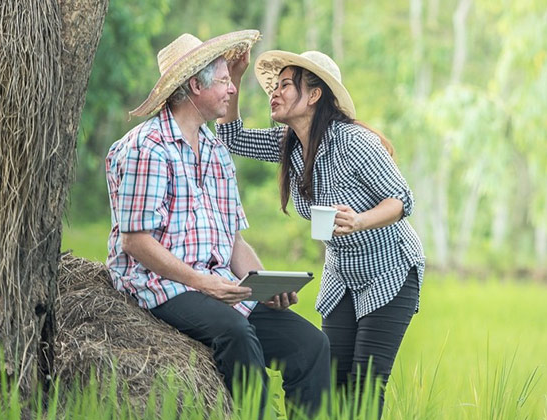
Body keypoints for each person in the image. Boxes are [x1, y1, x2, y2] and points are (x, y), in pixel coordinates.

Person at [104, 31, 330, 415]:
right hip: (162, 285)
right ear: (195, 85)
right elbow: (135, 242)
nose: (232, 90)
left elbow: (233, 240)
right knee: (235, 333)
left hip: (215, 284)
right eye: (225, 80)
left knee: (311, 345)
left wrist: (264, 283)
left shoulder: (214, 151)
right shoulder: (149, 148)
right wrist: (202, 282)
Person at [215, 49, 426, 415]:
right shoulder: (290, 146)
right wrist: (235, 76)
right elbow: (232, 139)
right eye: (273, 87)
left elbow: (401, 200)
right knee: (328, 382)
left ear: (313, 95)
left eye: (285, 86)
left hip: (389, 271)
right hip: (342, 273)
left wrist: (360, 220)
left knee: (363, 390)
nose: (274, 94)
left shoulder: (352, 142)